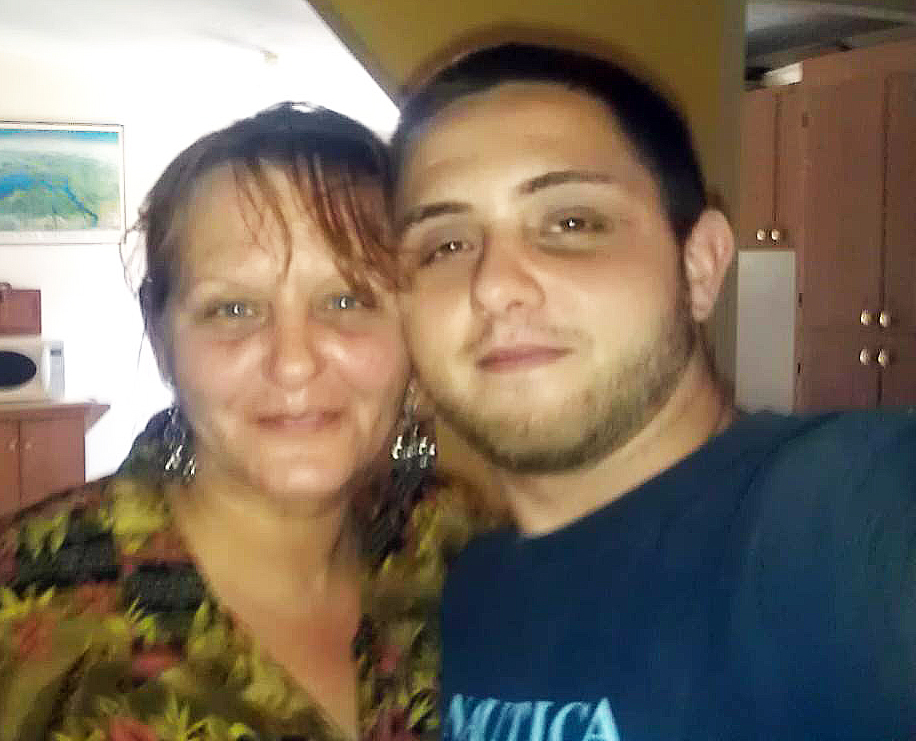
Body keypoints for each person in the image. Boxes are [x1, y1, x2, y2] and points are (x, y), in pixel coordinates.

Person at [391, 42, 916, 740]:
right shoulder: (468, 591)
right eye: (446, 246)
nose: (494, 285)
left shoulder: (841, 518)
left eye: (572, 223)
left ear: (700, 266)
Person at [0, 103, 487, 741]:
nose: (293, 363)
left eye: (346, 299)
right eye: (233, 308)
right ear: (161, 335)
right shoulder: (24, 604)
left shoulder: (457, 549)